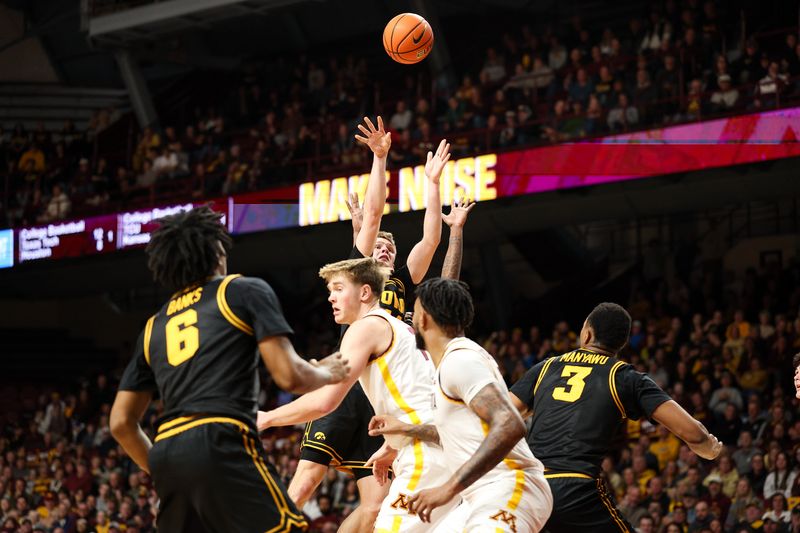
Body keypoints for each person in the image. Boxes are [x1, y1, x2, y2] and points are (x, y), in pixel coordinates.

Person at [109, 206, 350, 533]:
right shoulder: (241, 290)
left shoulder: (153, 326)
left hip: (167, 451)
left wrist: (164, 468)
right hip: (219, 437)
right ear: (217, 251)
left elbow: (121, 423)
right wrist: (326, 372)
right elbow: (289, 376)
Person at [258, 258, 461, 531]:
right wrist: (392, 446)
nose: (330, 298)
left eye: (339, 289)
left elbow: (325, 401)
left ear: (365, 292)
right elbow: (417, 393)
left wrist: (267, 418)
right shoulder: (401, 328)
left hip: (426, 454)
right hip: (439, 447)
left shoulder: (366, 327)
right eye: (330, 290)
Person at [509, 302, 723, 533]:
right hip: (575, 488)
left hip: (531, 488)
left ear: (587, 333)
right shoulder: (625, 377)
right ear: (620, 344)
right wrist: (710, 448)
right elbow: (694, 434)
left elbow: (501, 417)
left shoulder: (545, 367)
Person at [367, 278, 553, 531]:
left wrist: (448, 488)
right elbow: (463, 436)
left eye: (416, 312)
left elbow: (510, 425)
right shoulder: (451, 362)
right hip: (476, 496)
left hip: (509, 484)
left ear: (423, 319)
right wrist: (406, 429)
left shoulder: (460, 360)